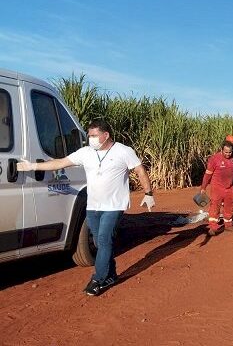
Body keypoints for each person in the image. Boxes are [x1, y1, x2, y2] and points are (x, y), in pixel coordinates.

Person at [17, 119, 155, 296]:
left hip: (114, 205)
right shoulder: (86, 152)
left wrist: (148, 193)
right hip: (93, 206)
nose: (90, 139)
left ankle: (99, 279)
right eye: (89, 135)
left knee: (104, 239)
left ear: (106, 135)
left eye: (94, 135)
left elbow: (140, 170)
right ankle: (111, 273)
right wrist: (33, 166)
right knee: (99, 242)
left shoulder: (124, 151)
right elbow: (60, 163)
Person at [200, 139, 233, 235]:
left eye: (230, 152)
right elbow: (207, 175)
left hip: (230, 187)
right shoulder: (214, 159)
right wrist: (203, 188)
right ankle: (213, 227)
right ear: (221, 150)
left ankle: (228, 225)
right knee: (215, 207)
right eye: (226, 152)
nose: (228, 154)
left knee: (230, 206)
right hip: (217, 188)